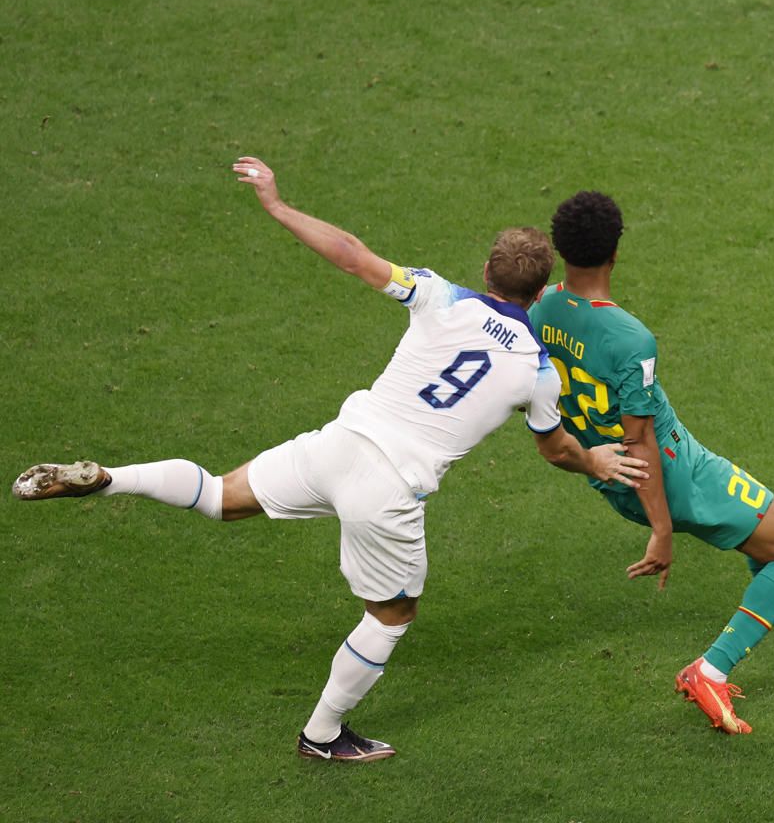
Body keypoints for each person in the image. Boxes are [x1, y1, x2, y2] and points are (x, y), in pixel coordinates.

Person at [12, 158, 647, 763]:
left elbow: (351, 253)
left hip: (338, 443)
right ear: (541, 291)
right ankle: (322, 734)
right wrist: (593, 462)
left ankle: (111, 480)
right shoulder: (537, 371)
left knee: (218, 496)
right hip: (390, 489)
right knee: (392, 614)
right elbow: (554, 447)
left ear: (486, 270)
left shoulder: (437, 295)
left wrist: (277, 203)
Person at [528, 189, 774, 735]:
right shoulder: (629, 337)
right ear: (616, 252)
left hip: (611, 474)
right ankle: (711, 670)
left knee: (764, 540)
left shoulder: (542, 309)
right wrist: (662, 529)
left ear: (560, 249)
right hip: (672, 474)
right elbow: (642, 435)